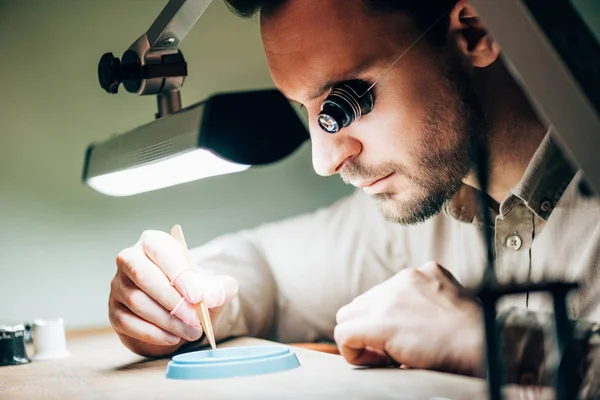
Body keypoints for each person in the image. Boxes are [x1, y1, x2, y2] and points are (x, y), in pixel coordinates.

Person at [108, 0, 600, 396]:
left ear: (474, 30)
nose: (325, 161)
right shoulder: (428, 204)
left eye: (343, 104)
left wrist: (499, 344)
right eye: (306, 110)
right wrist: (177, 298)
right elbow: (267, 270)